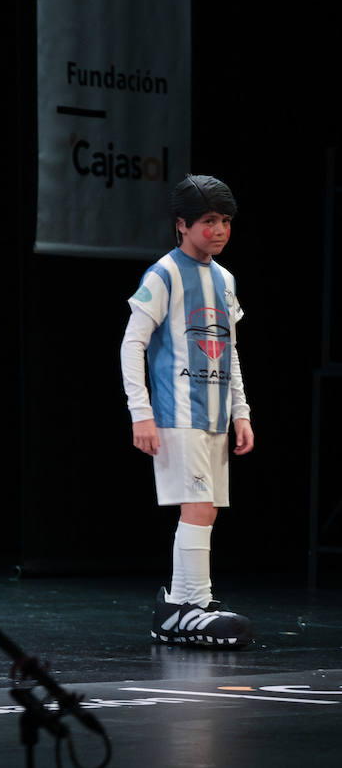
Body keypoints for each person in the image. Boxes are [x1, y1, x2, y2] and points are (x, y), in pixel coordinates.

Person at [120, 174, 254, 648]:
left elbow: (229, 349)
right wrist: (141, 412)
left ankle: (182, 604)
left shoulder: (225, 280)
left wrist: (241, 411)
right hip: (176, 412)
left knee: (207, 509)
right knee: (196, 506)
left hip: (214, 414)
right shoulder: (164, 275)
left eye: (225, 221)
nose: (219, 230)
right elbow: (132, 343)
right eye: (208, 221)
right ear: (182, 224)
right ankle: (192, 604)